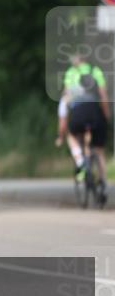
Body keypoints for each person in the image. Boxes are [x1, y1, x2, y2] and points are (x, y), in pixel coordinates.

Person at [56, 54, 108, 194]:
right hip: (95, 110)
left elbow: (66, 98)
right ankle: (103, 182)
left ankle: (81, 163)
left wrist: (60, 133)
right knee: (99, 150)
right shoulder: (95, 71)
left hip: (78, 112)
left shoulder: (70, 73)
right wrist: (106, 115)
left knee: (73, 136)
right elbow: (103, 95)